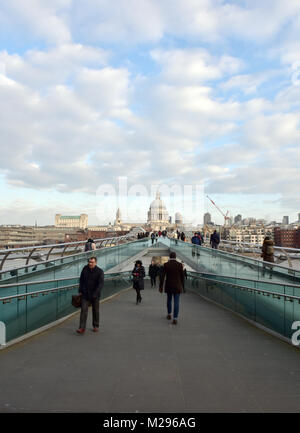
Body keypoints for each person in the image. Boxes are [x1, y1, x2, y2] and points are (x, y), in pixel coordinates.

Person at [77, 257, 104, 334]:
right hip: (85, 294)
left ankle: (95, 325)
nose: (90, 263)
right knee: (83, 310)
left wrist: (95, 294)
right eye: (89, 262)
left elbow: (101, 284)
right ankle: (82, 328)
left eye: (92, 262)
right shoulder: (85, 269)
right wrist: (80, 290)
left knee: (95, 310)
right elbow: (81, 280)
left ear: (95, 263)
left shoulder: (99, 271)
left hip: (95, 295)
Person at [159, 252, 184, 325]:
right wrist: (182, 286)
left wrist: (161, 286)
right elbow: (182, 277)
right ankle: (175, 318)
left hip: (169, 285)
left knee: (169, 300)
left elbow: (162, 276)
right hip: (177, 286)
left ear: (169, 257)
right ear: (175, 257)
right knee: (176, 302)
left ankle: (169, 314)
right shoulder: (179, 265)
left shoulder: (166, 265)